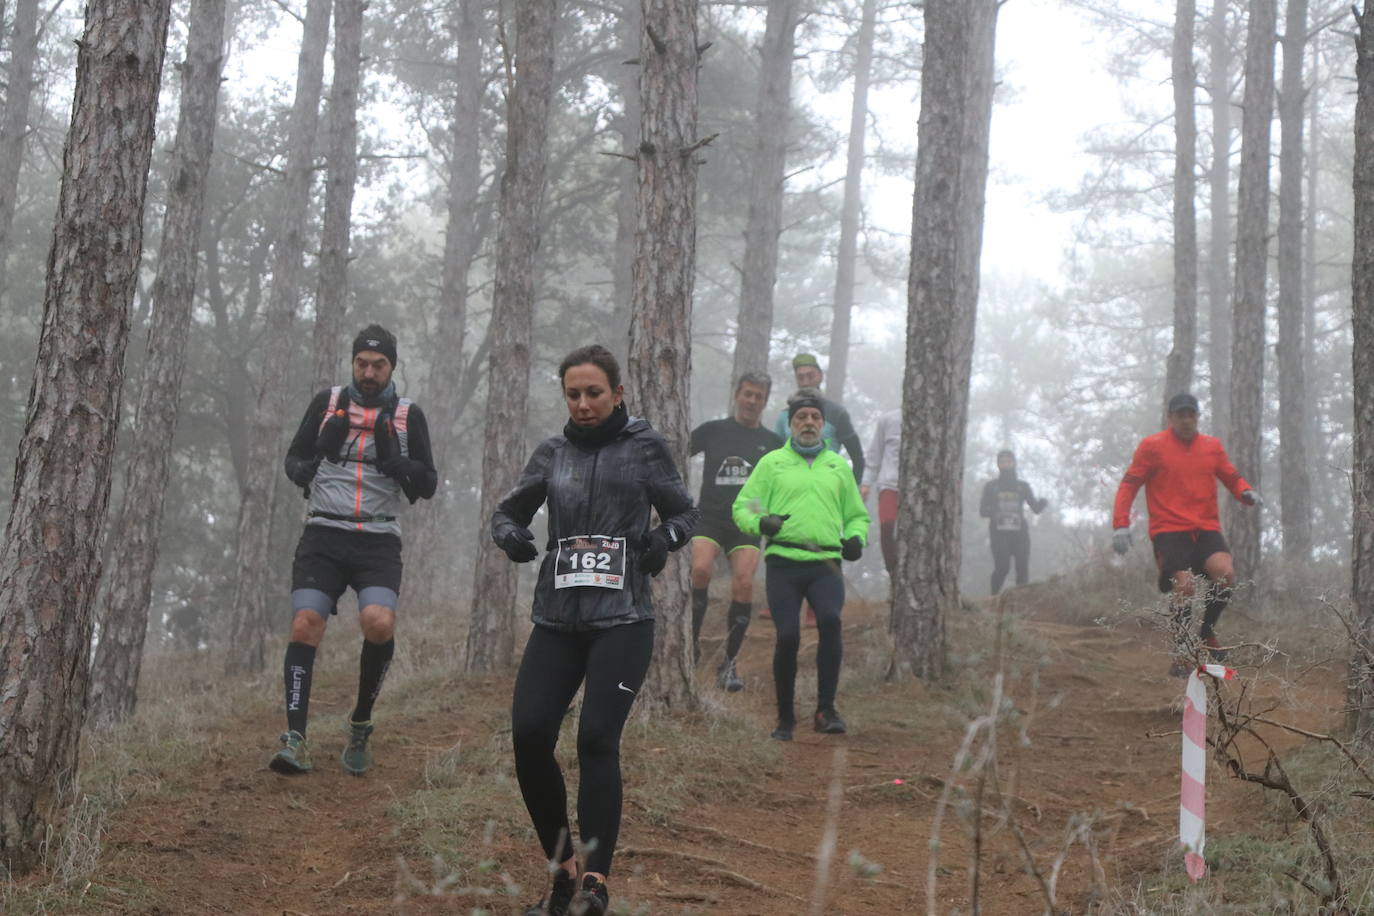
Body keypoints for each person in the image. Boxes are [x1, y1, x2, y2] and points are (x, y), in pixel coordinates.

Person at [492, 344, 699, 916]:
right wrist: (508, 535)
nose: (583, 404)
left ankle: (595, 887)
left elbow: (686, 513)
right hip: (557, 620)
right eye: (573, 394)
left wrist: (663, 541)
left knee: (595, 740)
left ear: (618, 393)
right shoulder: (552, 452)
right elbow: (506, 512)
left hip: (624, 621)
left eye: (594, 393)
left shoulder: (644, 447)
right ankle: (562, 874)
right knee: (530, 735)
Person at [270, 325, 438, 776]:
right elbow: (293, 463)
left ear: (392, 367)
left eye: (378, 365)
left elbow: (428, 484)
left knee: (378, 623)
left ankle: (361, 721)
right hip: (323, 536)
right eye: (361, 363)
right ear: (352, 363)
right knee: (305, 624)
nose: (368, 372)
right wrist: (318, 453)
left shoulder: (408, 415)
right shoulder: (327, 405)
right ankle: (296, 738)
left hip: (378, 540)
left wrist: (399, 463)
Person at [735, 388, 870, 741]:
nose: (808, 423)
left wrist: (856, 539)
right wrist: (761, 522)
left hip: (826, 562)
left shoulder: (837, 467)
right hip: (784, 562)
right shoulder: (772, 463)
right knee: (789, 635)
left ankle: (826, 710)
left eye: (815, 419)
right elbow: (744, 505)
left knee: (830, 620)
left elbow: (856, 515)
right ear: (790, 425)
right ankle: (785, 719)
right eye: (801, 418)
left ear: (824, 427)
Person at [1112, 393, 1260, 675]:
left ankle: (1206, 633)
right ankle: (1181, 652)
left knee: (1225, 574)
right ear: (1170, 418)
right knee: (1185, 584)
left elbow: (1230, 475)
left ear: (1197, 417)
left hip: (1205, 527)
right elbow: (1129, 484)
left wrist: (1245, 491)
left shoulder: (1211, 447)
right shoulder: (1152, 447)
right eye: (1181, 415)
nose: (1187, 420)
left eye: (1192, 414)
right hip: (1168, 530)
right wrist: (1120, 524)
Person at [688, 371, 783, 690]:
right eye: (748, 394)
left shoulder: (773, 444)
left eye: (759, 396)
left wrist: (777, 518)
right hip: (710, 518)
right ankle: (690, 646)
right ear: (736, 394)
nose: (752, 401)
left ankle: (729, 664)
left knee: (743, 582)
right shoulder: (712, 431)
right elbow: (673, 454)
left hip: (748, 523)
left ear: (766, 401)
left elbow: (788, 484)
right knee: (700, 569)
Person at [771, 353, 865, 484]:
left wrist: (853, 489)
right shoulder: (784, 416)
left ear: (820, 376)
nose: (805, 382)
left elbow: (857, 457)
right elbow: (774, 455)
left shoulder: (837, 413)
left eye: (810, 376)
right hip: (790, 487)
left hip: (827, 486)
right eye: (800, 377)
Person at [978, 450, 1048, 594]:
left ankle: (1022, 600)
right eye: (1002, 462)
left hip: (1020, 533)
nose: (1005, 464)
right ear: (998, 465)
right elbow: (983, 511)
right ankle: (994, 599)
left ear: (1014, 463)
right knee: (1002, 567)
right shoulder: (991, 486)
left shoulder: (1023, 486)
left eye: (1008, 461)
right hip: (998, 534)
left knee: (1022, 567)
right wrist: (995, 512)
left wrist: (1043, 503)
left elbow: (1035, 508)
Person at [860, 406, 902, 577]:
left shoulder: (931, 417)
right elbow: (874, 455)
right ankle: (893, 574)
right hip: (889, 484)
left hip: (919, 487)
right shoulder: (888, 419)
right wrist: (866, 483)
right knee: (888, 527)